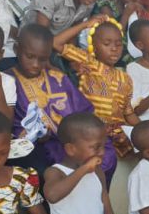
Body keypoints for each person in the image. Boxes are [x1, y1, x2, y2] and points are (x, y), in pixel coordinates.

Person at [10, 23, 117, 179]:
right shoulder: (8, 81)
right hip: (43, 146)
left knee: (105, 153)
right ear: (16, 49)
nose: (35, 65)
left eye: (42, 59)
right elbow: (14, 124)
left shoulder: (58, 78)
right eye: (30, 56)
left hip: (76, 139)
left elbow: (84, 112)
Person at [58, 18, 139, 157]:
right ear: (94, 46)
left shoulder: (125, 78)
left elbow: (128, 113)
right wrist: (85, 25)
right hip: (89, 134)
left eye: (118, 44)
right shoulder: (88, 62)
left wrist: (142, 130)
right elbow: (55, 43)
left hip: (118, 137)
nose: (114, 48)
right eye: (107, 44)